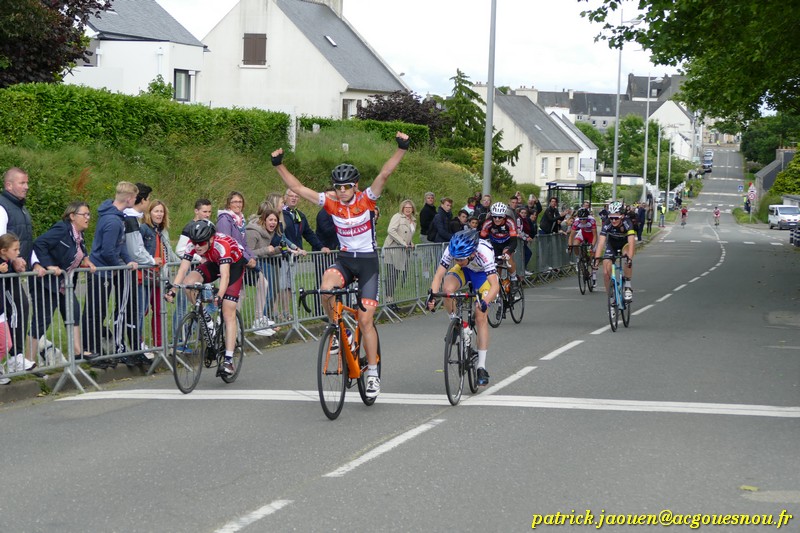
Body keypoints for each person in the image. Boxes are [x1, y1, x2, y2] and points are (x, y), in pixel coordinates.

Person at [271, 131, 410, 398]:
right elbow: (299, 189)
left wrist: (401, 149)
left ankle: (371, 373)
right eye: (338, 186)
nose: (342, 191)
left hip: (368, 263)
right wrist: (279, 165)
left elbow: (384, 174)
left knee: (367, 321)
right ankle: (341, 330)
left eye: (346, 186)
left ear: (355, 186)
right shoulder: (331, 202)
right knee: (326, 287)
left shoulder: (367, 199)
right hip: (345, 260)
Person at [166, 220, 246, 376]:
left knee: (228, 310)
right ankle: (206, 318)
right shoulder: (193, 244)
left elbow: (225, 275)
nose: (197, 246)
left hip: (234, 266)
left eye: (201, 243)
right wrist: (173, 290)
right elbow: (183, 269)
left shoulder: (222, 244)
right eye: (195, 242)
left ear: (211, 239)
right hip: (213, 262)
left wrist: (219, 296)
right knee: (189, 283)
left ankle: (228, 361)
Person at [426, 229, 499, 386]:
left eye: (461, 259)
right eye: (455, 258)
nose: (457, 260)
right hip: (464, 272)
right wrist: (432, 296)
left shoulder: (484, 252)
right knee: (447, 290)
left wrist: (485, 302)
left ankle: (481, 367)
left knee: (480, 315)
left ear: (472, 253)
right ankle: (457, 323)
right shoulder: (453, 249)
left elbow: (495, 286)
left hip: (482, 275)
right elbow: (438, 275)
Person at [30, 202, 97, 362]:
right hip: (47, 283)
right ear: (72, 216)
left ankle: (77, 351)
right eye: (84, 214)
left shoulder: (79, 234)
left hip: (64, 284)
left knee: (73, 310)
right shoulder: (62, 229)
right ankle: (29, 360)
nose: (88, 218)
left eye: (89, 214)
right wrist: (48, 265)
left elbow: (81, 248)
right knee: (42, 320)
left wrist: (86, 260)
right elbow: (39, 243)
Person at [82, 182, 139, 365]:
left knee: (100, 312)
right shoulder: (113, 221)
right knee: (95, 313)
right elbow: (107, 250)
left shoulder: (116, 217)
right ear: (129, 198)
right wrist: (117, 267)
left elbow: (119, 245)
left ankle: (96, 350)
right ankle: (91, 350)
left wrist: (128, 259)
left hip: (105, 272)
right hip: (100, 272)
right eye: (135, 198)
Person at [0, 167, 46, 372]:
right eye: (22, 183)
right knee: (18, 308)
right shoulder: (2, 208)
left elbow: (27, 240)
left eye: (27, 183)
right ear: (9, 185)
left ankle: (14, 357)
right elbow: (2, 242)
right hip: (6, 272)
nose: (27, 187)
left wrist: (34, 261)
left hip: (15, 271)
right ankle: (14, 357)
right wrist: (14, 260)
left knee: (18, 309)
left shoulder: (22, 208)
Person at [217, 191, 270, 334]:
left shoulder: (240, 219)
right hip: (233, 263)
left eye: (240, 202)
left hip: (243, 261)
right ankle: (229, 326)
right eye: (235, 202)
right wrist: (246, 259)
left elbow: (244, 243)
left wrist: (251, 257)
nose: (238, 204)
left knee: (262, 283)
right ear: (229, 203)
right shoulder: (224, 220)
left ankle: (259, 318)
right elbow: (227, 242)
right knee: (236, 296)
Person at [140, 200, 181, 351]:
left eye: (161, 211)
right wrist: (150, 261)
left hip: (160, 277)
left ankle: (159, 344)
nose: (159, 214)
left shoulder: (163, 231)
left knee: (159, 310)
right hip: (145, 276)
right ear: (149, 213)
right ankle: (139, 344)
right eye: (156, 211)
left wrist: (184, 263)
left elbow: (169, 253)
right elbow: (139, 250)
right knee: (141, 311)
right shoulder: (143, 229)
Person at [246, 204, 295, 332]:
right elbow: (248, 253)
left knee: (272, 288)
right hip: (245, 268)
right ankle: (259, 320)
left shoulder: (270, 233)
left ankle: (264, 319)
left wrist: (279, 249)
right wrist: (266, 249)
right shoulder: (252, 232)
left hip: (259, 264)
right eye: (270, 220)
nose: (273, 223)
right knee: (265, 288)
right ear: (264, 220)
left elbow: (267, 252)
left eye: (275, 220)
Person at [124, 183, 158, 362]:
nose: (149, 202)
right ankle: (134, 346)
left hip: (139, 271)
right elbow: (136, 249)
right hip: (133, 273)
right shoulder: (130, 219)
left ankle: (137, 345)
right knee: (134, 311)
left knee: (139, 309)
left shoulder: (134, 218)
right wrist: (152, 261)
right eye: (148, 199)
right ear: (142, 200)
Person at [593, 201, 636, 303]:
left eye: (616, 218)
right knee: (605, 272)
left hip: (625, 244)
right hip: (612, 245)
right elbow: (601, 243)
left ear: (621, 216)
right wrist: (596, 259)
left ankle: (628, 286)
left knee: (627, 257)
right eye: (611, 217)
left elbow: (631, 242)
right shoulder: (607, 224)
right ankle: (611, 297)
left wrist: (630, 258)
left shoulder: (627, 223)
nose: (613, 220)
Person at [382, 199, 416, 308]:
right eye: (406, 208)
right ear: (402, 208)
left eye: (410, 208)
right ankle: (388, 299)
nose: (408, 210)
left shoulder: (413, 220)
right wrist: (402, 242)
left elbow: (408, 234)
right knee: (392, 274)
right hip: (393, 248)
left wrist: (410, 242)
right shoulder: (397, 217)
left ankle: (391, 298)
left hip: (402, 249)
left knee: (396, 274)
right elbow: (391, 230)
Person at [480, 202, 519, 284]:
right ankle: (498, 283)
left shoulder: (510, 222)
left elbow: (514, 241)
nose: (497, 219)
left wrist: (508, 252)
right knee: (496, 264)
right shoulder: (488, 223)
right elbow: (482, 238)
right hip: (495, 244)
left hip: (508, 243)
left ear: (504, 216)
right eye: (494, 216)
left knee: (507, 257)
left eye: (500, 217)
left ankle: (513, 278)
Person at [0, 233, 21, 382]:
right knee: (4, 343)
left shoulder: (8, 263)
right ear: (3, 250)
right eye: (15, 250)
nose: (18, 252)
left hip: (1, 311)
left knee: (7, 343)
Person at [567, 207, 598, 286]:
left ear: (587, 218)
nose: (582, 221)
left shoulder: (592, 221)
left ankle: (594, 276)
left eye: (584, 219)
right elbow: (571, 236)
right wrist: (570, 247)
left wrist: (592, 246)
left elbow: (595, 236)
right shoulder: (577, 222)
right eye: (581, 219)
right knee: (575, 244)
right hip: (583, 233)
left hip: (591, 235)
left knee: (592, 253)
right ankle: (579, 258)